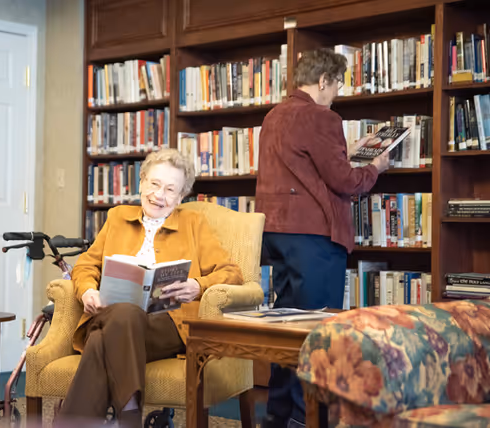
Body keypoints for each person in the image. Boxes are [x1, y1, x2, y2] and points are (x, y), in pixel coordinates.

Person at [56, 148, 243, 427]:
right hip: (116, 316)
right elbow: (85, 267)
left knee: (102, 336)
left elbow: (233, 273)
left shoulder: (194, 223)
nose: (159, 195)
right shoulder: (118, 218)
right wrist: (87, 291)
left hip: (168, 324)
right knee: (122, 317)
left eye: (170, 189)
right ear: (142, 182)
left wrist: (197, 285)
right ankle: (128, 414)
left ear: (180, 198)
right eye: (154, 184)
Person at [254, 48, 390, 428]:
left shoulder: (273, 115)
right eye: (338, 85)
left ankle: (279, 413)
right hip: (313, 236)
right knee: (315, 329)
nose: (338, 94)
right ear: (324, 80)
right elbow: (345, 181)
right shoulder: (320, 116)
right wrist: (374, 167)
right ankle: (305, 417)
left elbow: (301, 169)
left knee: (288, 326)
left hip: (276, 234)